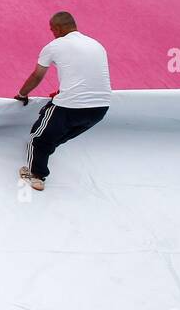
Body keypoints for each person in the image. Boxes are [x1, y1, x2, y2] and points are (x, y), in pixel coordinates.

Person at [13, 12, 110, 191]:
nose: (52, 33)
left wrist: (22, 94)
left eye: (52, 29)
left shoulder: (54, 46)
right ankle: (43, 154)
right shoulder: (97, 45)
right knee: (55, 135)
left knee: (38, 139)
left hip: (70, 108)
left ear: (58, 28)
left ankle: (37, 176)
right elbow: (88, 74)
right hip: (100, 109)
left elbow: (37, 76)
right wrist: (61, 92)